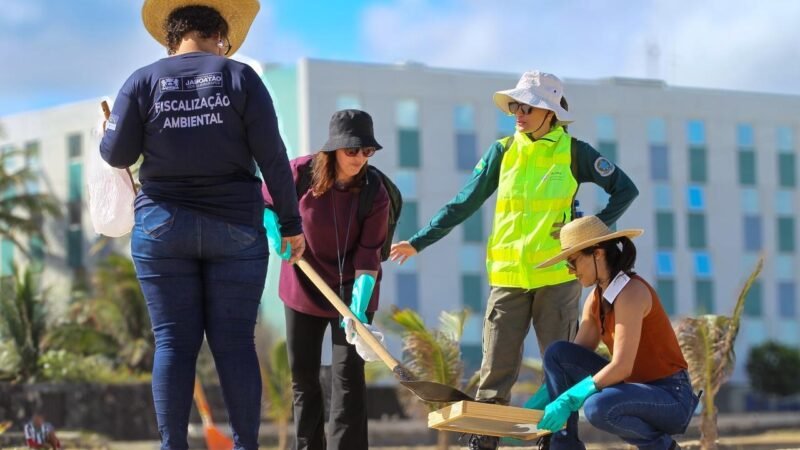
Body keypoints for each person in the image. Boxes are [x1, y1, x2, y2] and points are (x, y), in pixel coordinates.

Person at [389, 71, 639, 450]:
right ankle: (485, 442)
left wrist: (592, 233)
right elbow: (464, 203)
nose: (518, 113)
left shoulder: (576, 152)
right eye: (515, 106)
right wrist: (420, 241)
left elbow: (625, 189)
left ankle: (557, 441)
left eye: (528, 106)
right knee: (495, 369)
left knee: (561, 368)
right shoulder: (502, 152)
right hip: (507, 280)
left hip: (557, 278)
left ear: (549, 113)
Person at [99, 1, 304, 449]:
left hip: (161, 229)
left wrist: (109, 131)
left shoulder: (142, 80)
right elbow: (273, 157)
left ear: (171, 39)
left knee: (173, 344)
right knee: (235, 343)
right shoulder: (241, 77)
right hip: (234, 228)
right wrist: (291, 224)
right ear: (220, 38)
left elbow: (116, 155)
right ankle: (246, 445)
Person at [262, 110, 389, 450]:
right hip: (304, 283)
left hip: (352, 291)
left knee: (348, 378)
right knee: (303, 378)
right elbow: (265, 201)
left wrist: (358, 306)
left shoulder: (374, 192)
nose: (360, 159)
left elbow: (369, 254)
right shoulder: (300, 173)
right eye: (353, 151)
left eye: (367, 152)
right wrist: (274, 230)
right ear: (333, 149)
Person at [528, 216, 699, 450]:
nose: (571, 271)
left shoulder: (632, 292)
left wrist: (568, 400)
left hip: (671, 396)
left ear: (597, 253)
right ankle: (563, 443)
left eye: (573, 262)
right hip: (631, 389)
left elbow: (622, 367)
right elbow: (566, 365)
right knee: (558, 353)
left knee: (597, 407)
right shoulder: (595, 300)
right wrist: (534, 408)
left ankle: (663, 447)